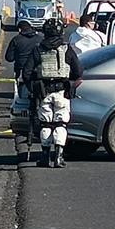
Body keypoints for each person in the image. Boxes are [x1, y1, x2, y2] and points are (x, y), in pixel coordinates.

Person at [22, 18, 83, 168]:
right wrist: (70, 83)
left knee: (46, 124)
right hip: (62, 92)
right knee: (61, 124)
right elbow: (78, 71)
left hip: (43, 93)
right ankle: (58, 157)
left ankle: (45, 157)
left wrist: (33, 88)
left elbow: (26, 73)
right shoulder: (67, 49)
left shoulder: (38, 49)